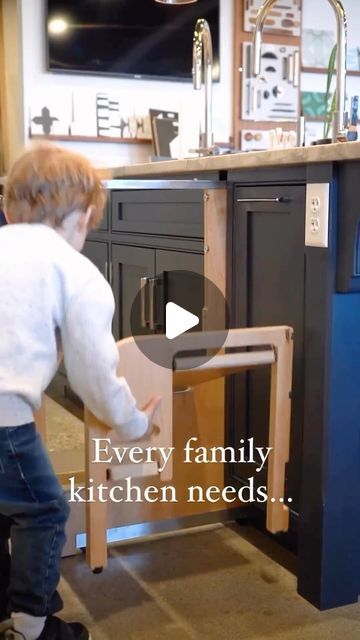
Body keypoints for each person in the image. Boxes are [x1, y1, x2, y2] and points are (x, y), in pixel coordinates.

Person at [0, 145, 161, 640]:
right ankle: (30, 627)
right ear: (86, 217)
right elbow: (95, 377)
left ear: (8, 209)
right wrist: (135, 423)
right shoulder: (75, 272)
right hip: (4, 420)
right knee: (44, 509)